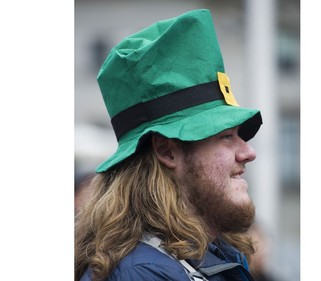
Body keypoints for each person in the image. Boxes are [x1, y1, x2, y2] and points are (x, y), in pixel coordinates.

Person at [75, 9, 263, 281]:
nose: (248, 152)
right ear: (167, 151)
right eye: (226, 136)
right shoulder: (141, 273)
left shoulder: (201, 255)